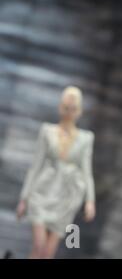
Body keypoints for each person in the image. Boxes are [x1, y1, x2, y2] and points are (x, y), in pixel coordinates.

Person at [16, 86, 96, 258]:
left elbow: (86, 171)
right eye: (66, 108)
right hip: (42, 193)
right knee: (39, 246)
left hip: (66, 198)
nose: (69, 112)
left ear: (79, 111)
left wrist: (90, 201)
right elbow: (35, 166)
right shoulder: (47, 131)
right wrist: (24, 198)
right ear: (61, 108)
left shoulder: (86, 138)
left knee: (48, 253)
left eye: (73, 109)